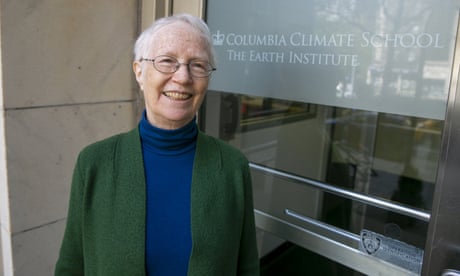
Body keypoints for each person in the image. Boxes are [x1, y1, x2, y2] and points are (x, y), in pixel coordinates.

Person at [55, 13, 260, 276]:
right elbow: (72, 265)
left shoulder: (232, 166)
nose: (183, 77)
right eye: (167, 61)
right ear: (139, 72)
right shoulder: (95, 163)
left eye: (197, 65)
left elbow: (247, 267)